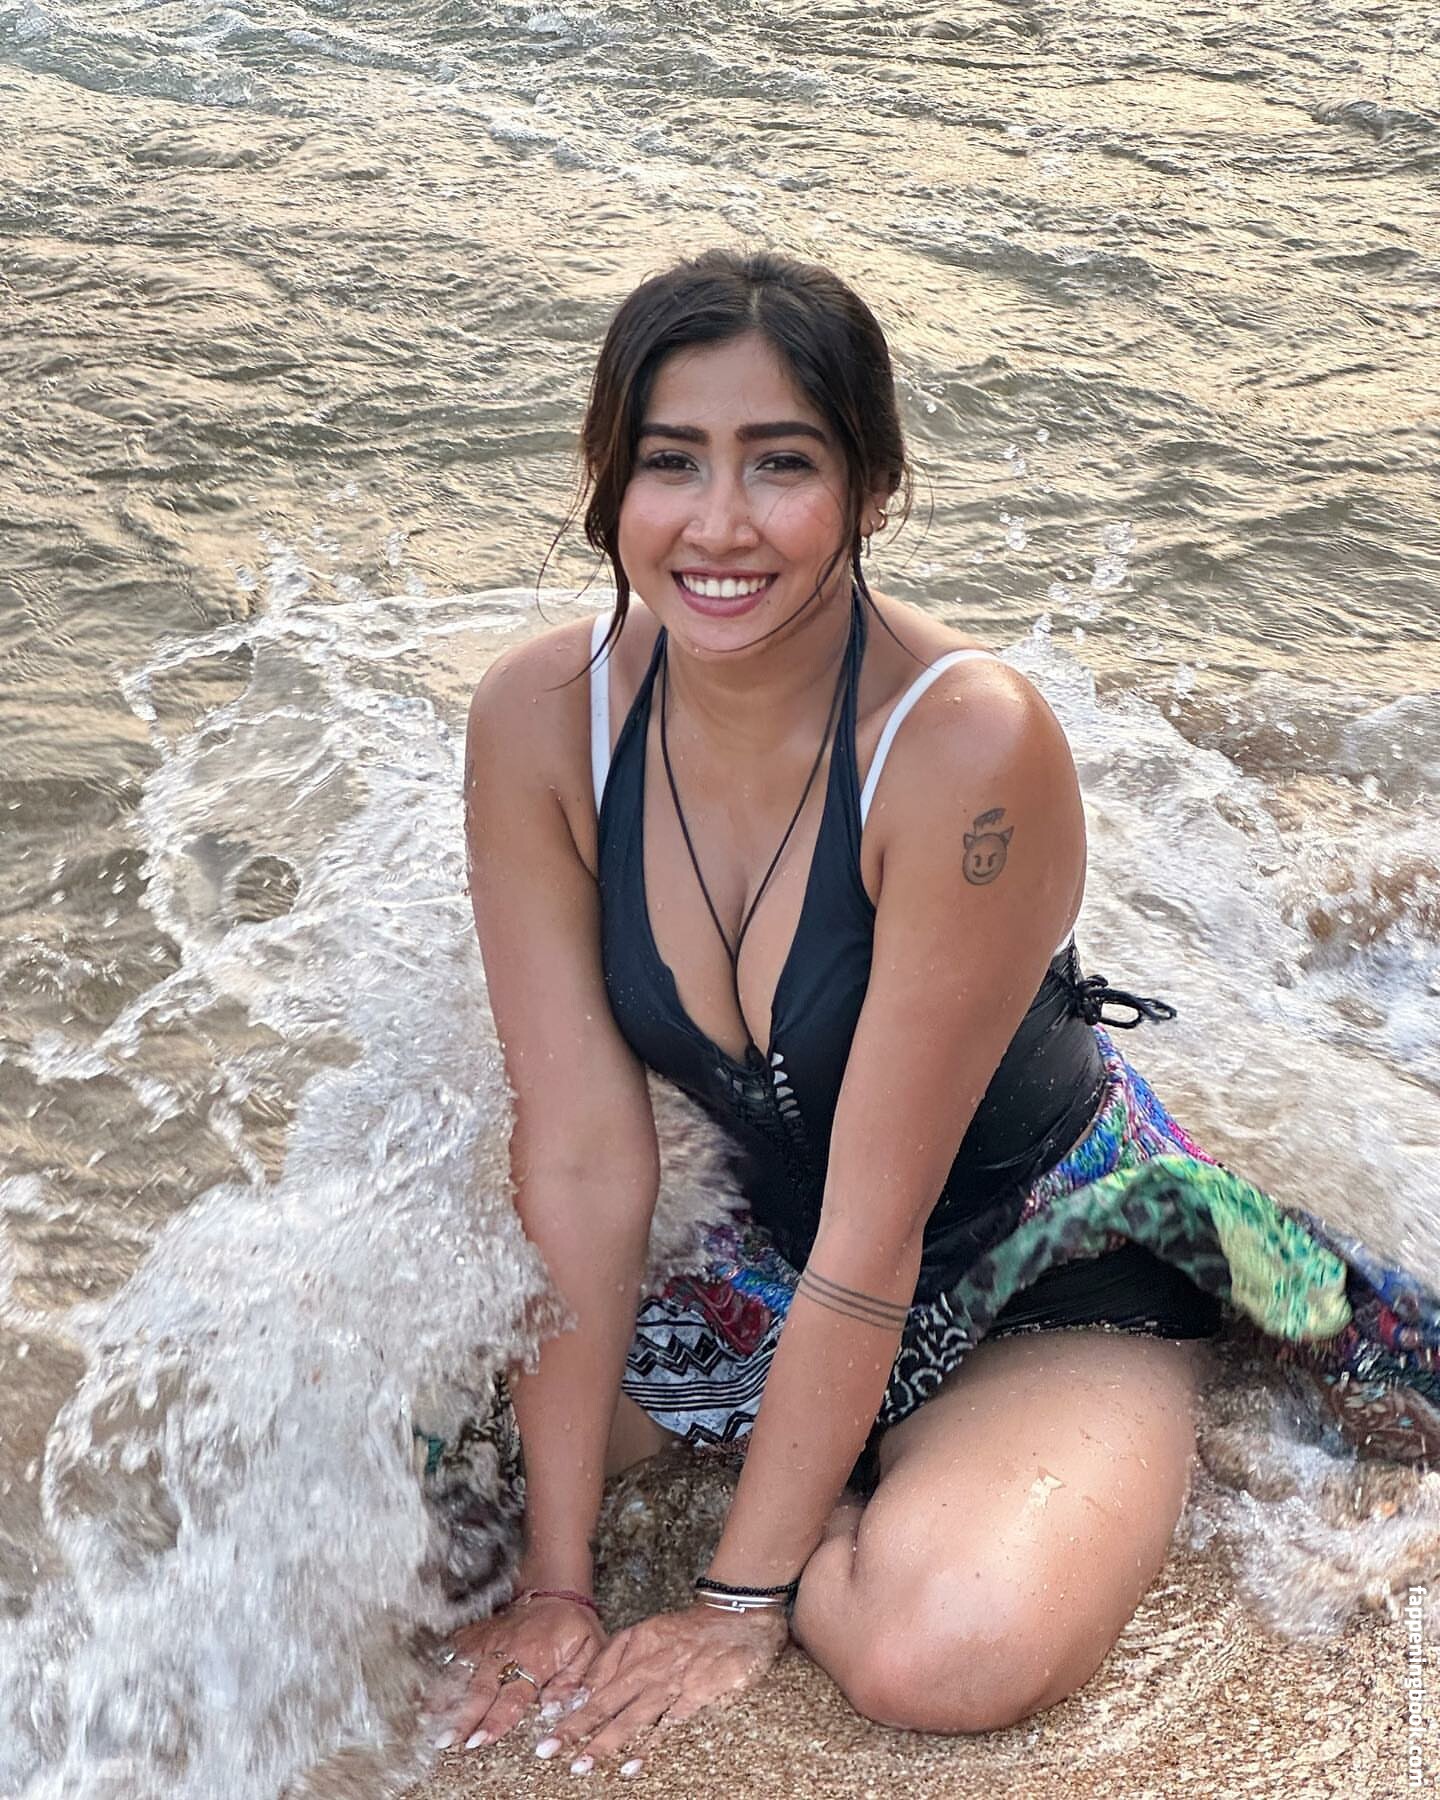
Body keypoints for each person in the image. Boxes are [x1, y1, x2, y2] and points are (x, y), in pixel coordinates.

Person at [435, 247, 1252, 1775]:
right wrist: (554, 1588)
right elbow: (585, 1165)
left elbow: (880, 1231)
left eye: (782, 463)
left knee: (938, 1649)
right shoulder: (543, 723)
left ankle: (930, 1479)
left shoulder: (964, 748)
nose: (719, 523)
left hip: (1036, 1261)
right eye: (671, 461)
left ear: (873, 489)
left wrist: (734, 1600)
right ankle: (835, 1469)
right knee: (412, 1527)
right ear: (608, 481)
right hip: (767, 1267)